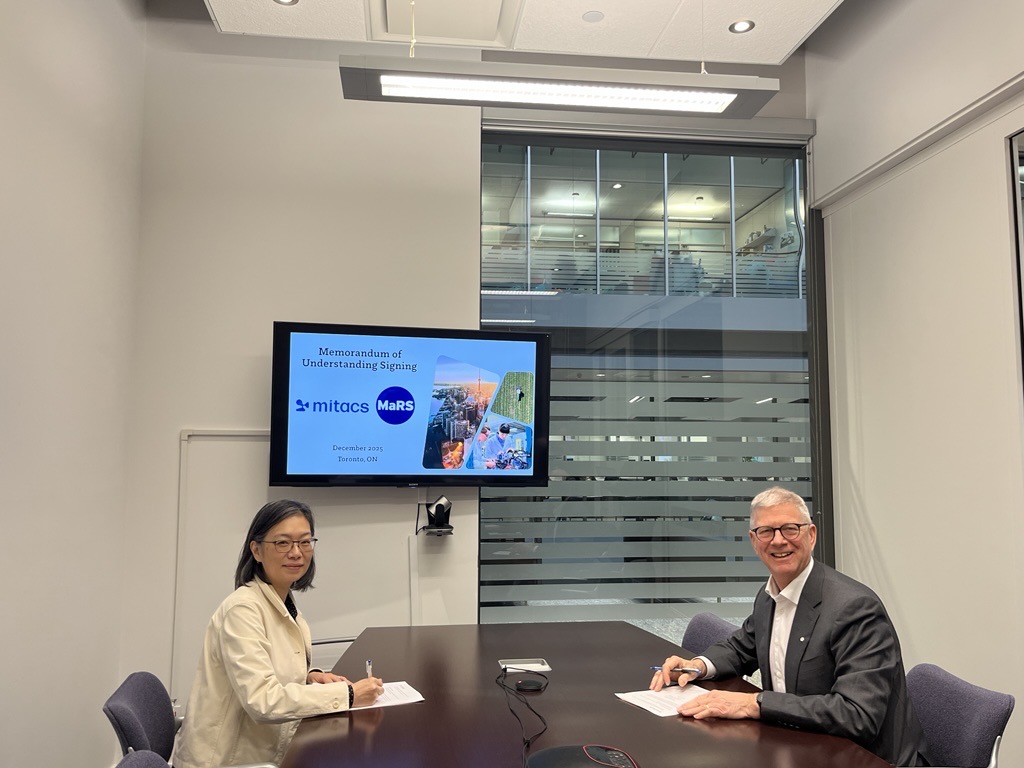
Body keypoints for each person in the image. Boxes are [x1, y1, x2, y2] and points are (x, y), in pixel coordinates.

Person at [650, 487, 926, 766]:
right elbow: (740, 648)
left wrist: (754, 703)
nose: (779, 541)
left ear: (812, 534)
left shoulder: (854, 608)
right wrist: (696, 666)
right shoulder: (770, 595)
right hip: (796, 744)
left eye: (790, 529)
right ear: (753, 540)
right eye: (766, 531)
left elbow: (857, 715)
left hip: (863, 757)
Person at [173, 500, 384, 768]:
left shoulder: (282, 601)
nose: (296, 553)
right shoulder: (243, 609)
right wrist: (349, 694)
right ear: (256, 550)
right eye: (283, 543)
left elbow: (265, 669)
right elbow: (263, 701)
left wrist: (309, 678)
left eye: (305, 542)